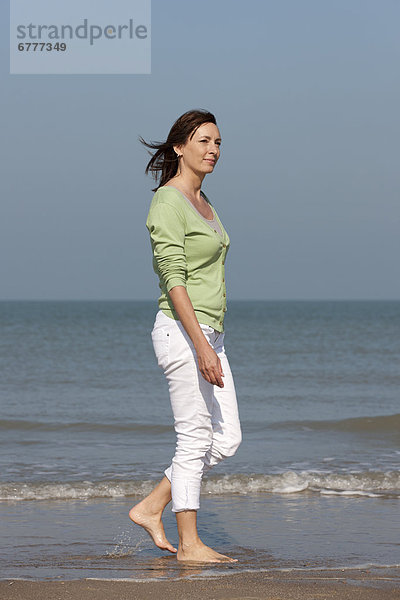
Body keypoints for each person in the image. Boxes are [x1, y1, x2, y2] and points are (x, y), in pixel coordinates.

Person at [129, 109, 242, 563]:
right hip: (182, 332)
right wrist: (199, 346)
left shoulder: (206, 201)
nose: (212, 150)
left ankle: (152, 505)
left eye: (217, 142)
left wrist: (210, 343)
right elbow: (173, 278)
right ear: (179, 147)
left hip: (211, 332)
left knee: (226, 438)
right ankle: (190, 545)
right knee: (193, 438)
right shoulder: (167, 202)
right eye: (203, 141)